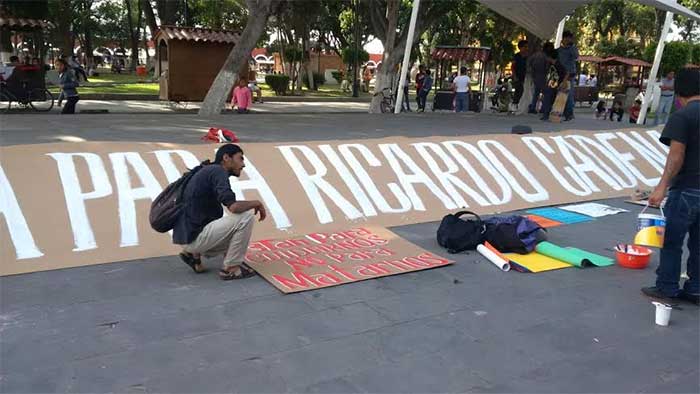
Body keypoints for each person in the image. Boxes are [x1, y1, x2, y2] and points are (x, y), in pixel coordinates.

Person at [642, 67, 700, 305]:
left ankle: (667, 287)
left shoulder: (683, 115)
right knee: (699, 243)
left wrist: (661, 187)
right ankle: (696, 288)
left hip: (687, 188)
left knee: (672, 240)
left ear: (679, 92)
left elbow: (676, 156)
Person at [174, 144, 267, 280]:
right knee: (244, 217)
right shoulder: (218, 172)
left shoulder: (207, 171)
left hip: (188, 237)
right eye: (240, 159)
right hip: (194, 239)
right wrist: (257, 203)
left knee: (231, 223)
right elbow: (233, 207)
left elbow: (197, 212)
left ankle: (193, 256)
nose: (243, 165)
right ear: (226, 158)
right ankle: (231, 269)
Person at [539, 42, 566, 121]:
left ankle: (546, 115)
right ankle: (548, 114)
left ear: (549, 57)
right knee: (550, 99)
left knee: (548, 99)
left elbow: (565, 73)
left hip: (554, 84)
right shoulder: (553, 64)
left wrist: (563, 82)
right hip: (553, 83)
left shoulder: (557, 65)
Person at [558, 31, 579, 121]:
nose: (566, 40)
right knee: (561, 93)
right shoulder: (560, 49)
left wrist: (571, 46)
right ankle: (561, 112)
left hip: (570, 73)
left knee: (569, 94)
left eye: (569, 39)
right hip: (561, 73)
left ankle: (569, 114)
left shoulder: (572, 48)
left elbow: (576, 56)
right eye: (565, 38)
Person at [528, 43, 549, 114]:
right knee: (545, 93)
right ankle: (543, 108)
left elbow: (529, 65)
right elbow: (547, 66)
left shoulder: (533, 56)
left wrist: (532, 73)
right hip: (543, 75)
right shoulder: (545, 56)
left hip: (536, 76)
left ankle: (533, 107)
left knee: (536, 93)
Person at [511, 40, 528, 112]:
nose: (526, 48)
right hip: (517, 76)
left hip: (526, 76)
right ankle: (514, 104)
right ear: (520, 47)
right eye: (525, 47)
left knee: (525, 91)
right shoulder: (517, 56)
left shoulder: (528, 56)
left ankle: (522, 105)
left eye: (527, 47)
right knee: (519, 90)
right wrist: (514, 76)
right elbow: (513, 66)